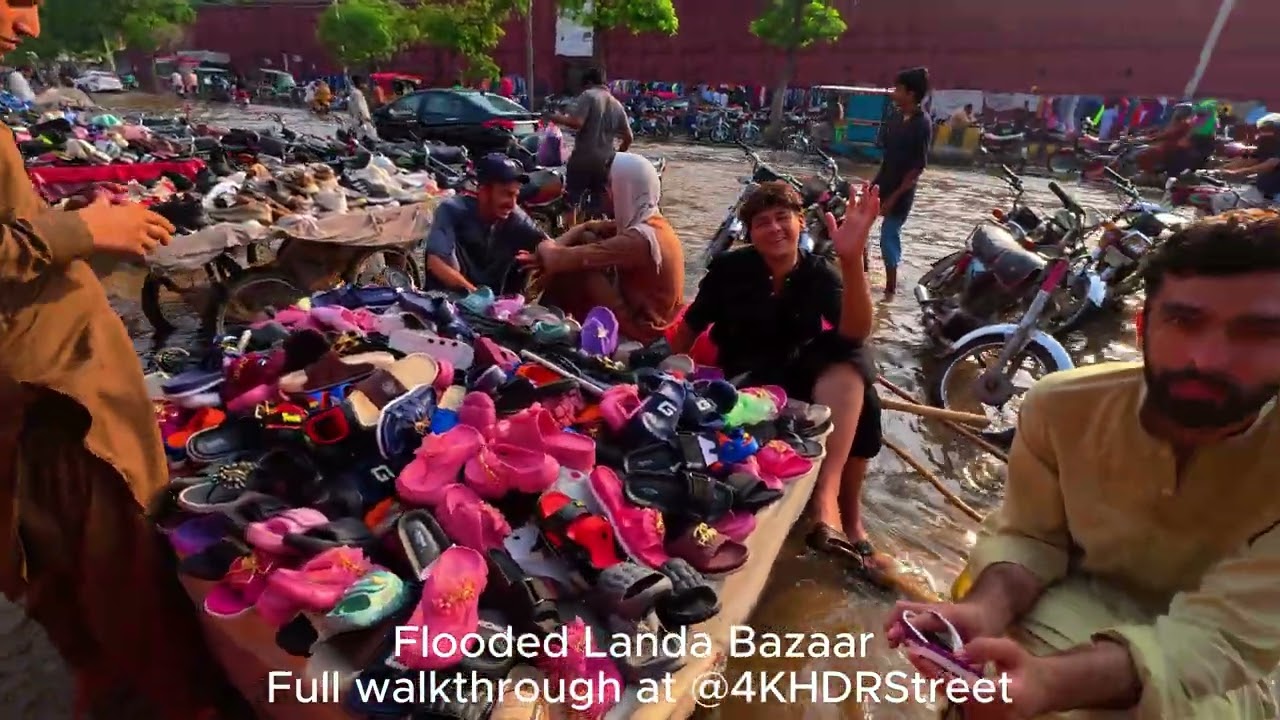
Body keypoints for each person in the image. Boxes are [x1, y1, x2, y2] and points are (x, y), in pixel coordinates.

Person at [886, 210, 1280, 719]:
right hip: (1064, 603)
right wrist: (979, 613)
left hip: (1223, 669)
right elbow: (1031, 538)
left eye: (1258, 332)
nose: (1207, 358)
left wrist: (1052, 684)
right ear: (1142, 325)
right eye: (1184, 322)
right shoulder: (1060, 407)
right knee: (983, 675)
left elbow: (1225, 638)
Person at [0, 2, 237, 718]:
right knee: (126, 582)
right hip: (59, 406)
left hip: (48, 393)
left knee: (67, 583)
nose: (33, 24)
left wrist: (78, 232)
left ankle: (107, 688)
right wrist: (82, 228)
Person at [668, 180, 888, 574]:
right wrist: (666, 376)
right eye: (762, 223)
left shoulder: (821, 273)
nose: (774, 229)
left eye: (782, 218)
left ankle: (839, 514)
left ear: (801, 223)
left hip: (794, 376)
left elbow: (856, 331)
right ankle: (832, 512)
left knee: (858, 371)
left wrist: (853, 262)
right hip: (747, 380)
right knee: (858, 377)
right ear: (751, 234)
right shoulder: (730, 269)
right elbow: (689, 328)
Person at [518, 152, 685, 344]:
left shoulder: (638, 239)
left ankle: (543, 319)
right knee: (586, 240)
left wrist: (544, 249)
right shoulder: (653, 223)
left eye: (611, 184)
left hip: (644, 330)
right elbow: (583, 237)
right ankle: (547, 315)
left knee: (577, 268)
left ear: (626, 188)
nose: (607, 192)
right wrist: (582, 228)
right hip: (648, 315)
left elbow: (556, 258)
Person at [423, 153, 548, 294]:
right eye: (506, 194)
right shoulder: (452, 210)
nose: (512, 204)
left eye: (515, 195)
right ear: (484, 192)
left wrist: (540, 257)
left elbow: (548, 245)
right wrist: (478, 297)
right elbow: (436, 263)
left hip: (495, 308)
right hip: (449, 301)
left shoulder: (515, 217)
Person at [872, 66, 932, 298]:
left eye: (898, 89)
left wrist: (893, 198)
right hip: (883, 183)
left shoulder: (922, 124)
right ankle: (861, 271)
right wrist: (872, 187)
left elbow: (916, 169)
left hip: (902, 193)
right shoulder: (896, 118)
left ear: (911, 94)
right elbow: (888, 160)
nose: (893, 92)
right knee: (858, 222)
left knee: (888, 234)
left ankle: (890, 289)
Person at [548, 67, 632, 226]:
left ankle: (571, 237)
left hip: (583, 158)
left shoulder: (588, 95)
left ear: (588, 83)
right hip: (606, 162)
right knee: (598, 203)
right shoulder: (617, 104)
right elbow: (629, 137)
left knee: (571, 200)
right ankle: (594, 236)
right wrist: (617, 156)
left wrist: (555, 117)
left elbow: (577, 122)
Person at [1211, 114, 1280, 212]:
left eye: (1269, 129)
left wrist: (1239, 172)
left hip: (1276, 196)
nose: (1264, 133)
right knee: (1220, 200)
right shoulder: (1268, 143)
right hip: (1262, 191)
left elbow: (1271, 164)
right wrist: (1220, 169)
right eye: (1263, 129)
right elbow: (1251, 159)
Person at [348, 75, 377, 140]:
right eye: (365, 83)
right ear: (360, 83)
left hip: (356, 120)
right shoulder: (358, 94)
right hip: (362, 122)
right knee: (369, 139)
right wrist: (368, 119)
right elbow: (361, 109)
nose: (366, 85)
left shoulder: (353, 93)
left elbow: (350, 109)